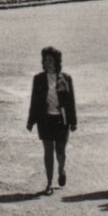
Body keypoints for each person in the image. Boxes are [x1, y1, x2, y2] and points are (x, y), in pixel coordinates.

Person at [26, 46, 77, 194]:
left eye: (50, 60)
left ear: (57, 62)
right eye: (45, 60)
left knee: (60, 151)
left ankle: (61, 170)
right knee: (48, 151)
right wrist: (31, 121)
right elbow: (34, 101)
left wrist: (73, 122)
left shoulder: (66, 78)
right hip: (45, 119)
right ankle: (48, 183)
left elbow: (70, 102)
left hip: (61, 120)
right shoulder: (38, 79)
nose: (47, 63)